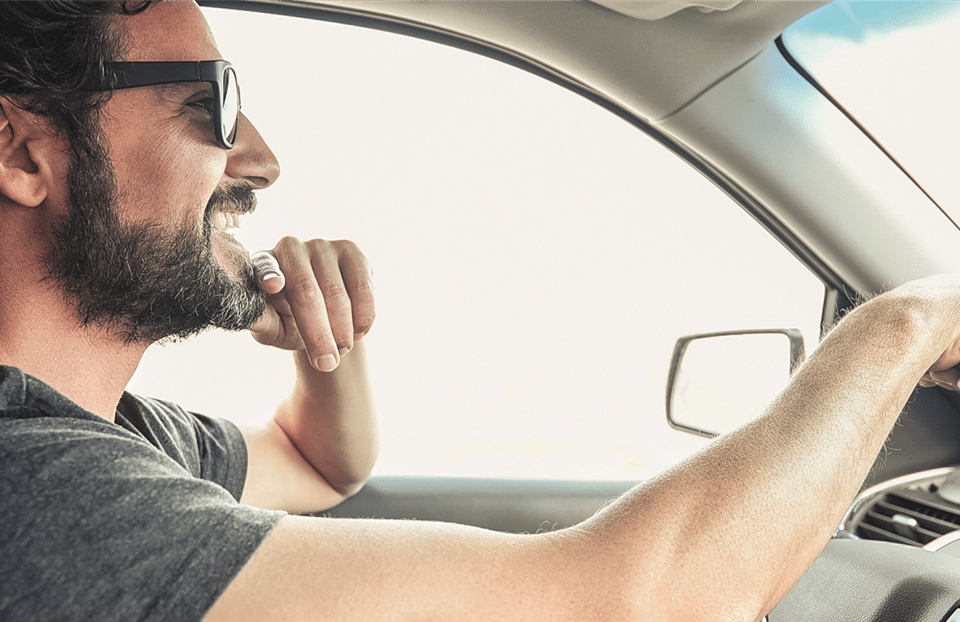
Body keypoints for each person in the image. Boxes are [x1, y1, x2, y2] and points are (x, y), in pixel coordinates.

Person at [1, 1, 959, 621]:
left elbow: (321, 462)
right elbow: (646, 603)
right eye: (211, 104)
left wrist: (326, 347)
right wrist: (908, 323)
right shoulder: (35, 487)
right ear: (20, 151)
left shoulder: (115, 439)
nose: (261, 159)